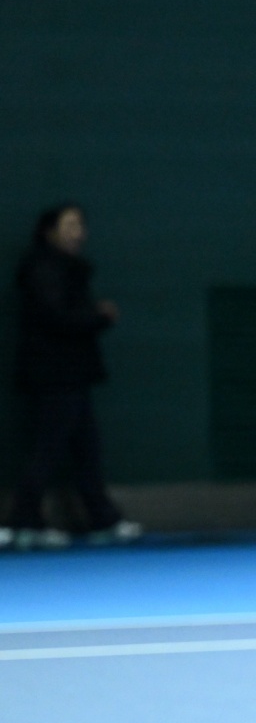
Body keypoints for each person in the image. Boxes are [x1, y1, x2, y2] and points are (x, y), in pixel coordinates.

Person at [5, 204, 141, 551]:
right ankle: (22, 523)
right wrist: (99, 317)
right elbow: (57, 317)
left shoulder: (68, 269)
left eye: (80, 225)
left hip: (72, 375)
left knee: (86, 450)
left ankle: (103, 519)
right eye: (69, 225)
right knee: (48, 449)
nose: (78, 232)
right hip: (54, 376)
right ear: (49, 231)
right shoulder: (42, 268)